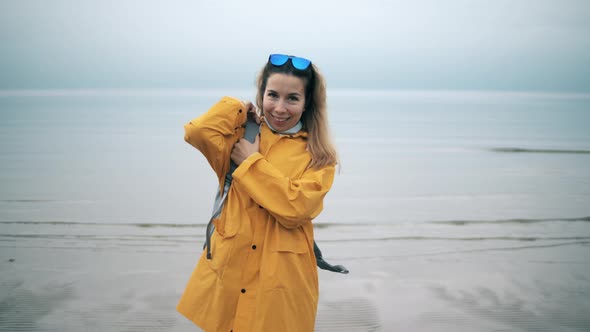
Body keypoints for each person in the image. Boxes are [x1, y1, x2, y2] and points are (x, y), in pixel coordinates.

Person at [177, 54, 338, 332]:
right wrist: (239, 108)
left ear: (307, 102)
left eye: (292, 98)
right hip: (231, 273)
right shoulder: (241, 135)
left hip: (281, 281)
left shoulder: (319, 155)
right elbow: (198, 132)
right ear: (261, 93)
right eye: (272, 95)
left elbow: (296, 208)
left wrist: (251, 163)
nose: (280, 107)